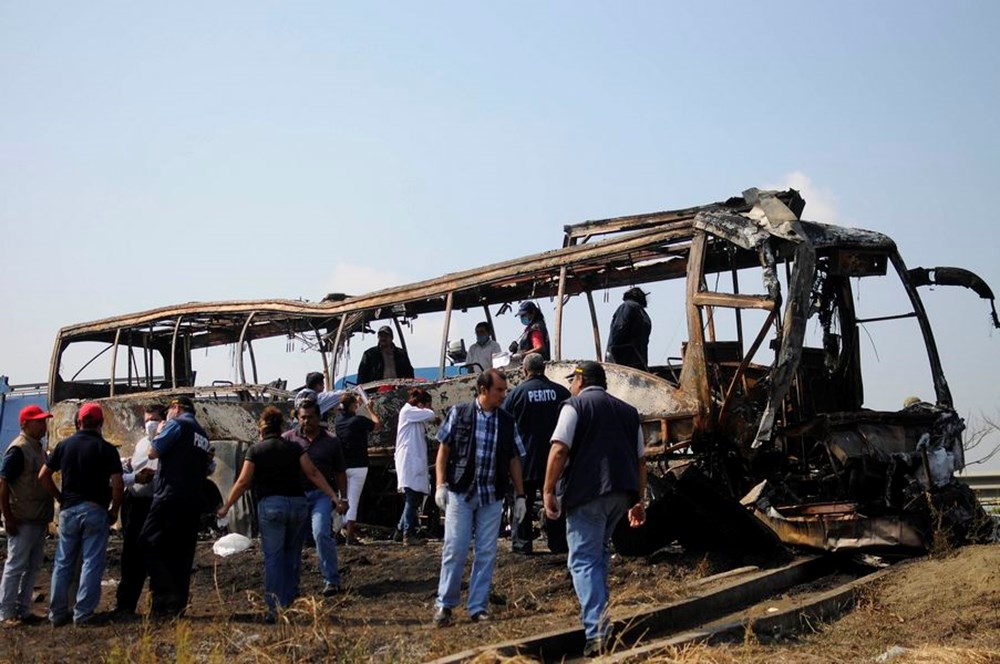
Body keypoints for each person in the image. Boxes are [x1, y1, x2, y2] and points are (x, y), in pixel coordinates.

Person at [543, 361, 647, 657]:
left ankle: (597, 633)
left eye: (572, 381)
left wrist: (549, 489)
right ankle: (603, 623)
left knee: (584, 561)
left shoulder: (573, 407)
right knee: (599, 554)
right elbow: (641, 460)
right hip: (620, 495)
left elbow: (560, 448)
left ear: (580, 380)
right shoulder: (629, 412)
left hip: (587, 493)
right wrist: (639, 501)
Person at [218, 406, 341, 621]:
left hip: (271, 507)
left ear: (262, 430)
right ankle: (290, 601)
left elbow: (244, 481)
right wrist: (334, 496)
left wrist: (226, 506)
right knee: (292, 555)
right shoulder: (295, 448)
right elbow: (312, 472)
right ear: (281, 427)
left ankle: (274, 609)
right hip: (297, 505)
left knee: (274, 558)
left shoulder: (256, 451)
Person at [432, 369, 527, 627]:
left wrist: (520, 495)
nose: (503, 395)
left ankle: (478, 606)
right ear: (483, 390)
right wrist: (440, 484)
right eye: (499, 390)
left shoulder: (506, 420)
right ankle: (445, 605)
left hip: (491, 495)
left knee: (486, 552)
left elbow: (513, 459)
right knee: (455, 549)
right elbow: (444, 450)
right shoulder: (459, 413)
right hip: (461, 493)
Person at [39, 403, 124, 626]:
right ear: (101, 424)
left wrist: (59, 497)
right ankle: (83, 613)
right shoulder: (107, 449)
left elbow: (43, 476)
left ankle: (56, 614)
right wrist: (114, 510)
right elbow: (117, 483)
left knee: (63, 562)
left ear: (78, 422)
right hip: (95, 510)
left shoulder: (64, 446)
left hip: (68, 510)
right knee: (91, 562)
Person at [140, 396, 214, 617]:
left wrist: (159, 431)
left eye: (168, 411)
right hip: (192, 500)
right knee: (182, 552)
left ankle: (165, 591)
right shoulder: (202, 433)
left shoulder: (177, 424)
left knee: (147, 541)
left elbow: (153, 452)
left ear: (177, 408)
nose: (165, 416)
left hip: (169, 496)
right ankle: (175, 604)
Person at [501, 353, 570, 554]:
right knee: (553, 500)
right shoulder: (561, 393)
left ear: (524, 370)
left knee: (522, 500)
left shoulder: (516, 394)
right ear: (545, 368)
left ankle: (522, 545)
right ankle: (558, 543)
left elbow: (503, 424)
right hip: (554, 459)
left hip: (524, 460)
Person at [282, 400, 349, 596]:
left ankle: (331, 580)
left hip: (321, 496)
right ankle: (291, 585)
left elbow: (340, 472)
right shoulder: (288, 440)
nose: (306, 421)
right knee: (294, 541)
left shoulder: (331, 441)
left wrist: (343, 498)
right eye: (302, 417)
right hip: (296, 497)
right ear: (297, 418)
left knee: (321, 533)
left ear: (318, 418)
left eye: (310, 417)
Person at [0, 405, 54, 626]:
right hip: (22, 518)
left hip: (37, 517)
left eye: (43, 421)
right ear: (25, 424)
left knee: (32, 567)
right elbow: (3, 484)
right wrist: (8, 517)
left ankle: (23, 609)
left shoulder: (36, 448)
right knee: (15, 566)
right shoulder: (18, 449)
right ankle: (5, 613)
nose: (43, 425)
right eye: (38, 421)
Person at [114, 404, 166, 615]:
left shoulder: (167, 443)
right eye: (146, 419)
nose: (149, 423)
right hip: (136, 503)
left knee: (157, 556)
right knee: (131, 557)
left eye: (153, 418)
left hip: (155, 505)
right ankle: (125, 605)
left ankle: (158, 606)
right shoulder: (142, 443)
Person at [334, 392, 382, 545]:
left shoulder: (338, 421)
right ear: (353, 406)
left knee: (342, 498)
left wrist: (358, 405)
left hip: (342, 465)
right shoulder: (359, 420)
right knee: (353, 500)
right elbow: (377, 425)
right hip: (359, 465)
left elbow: (351, 416)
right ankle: (350, 535)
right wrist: (370, 409)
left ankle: (336, 532)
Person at [394, 387, 437, 545]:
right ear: (420, 404)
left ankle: (400, 529)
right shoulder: (408, 412)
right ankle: (408, 534)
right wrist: (428, 409)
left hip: (413, 460)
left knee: (413, 497)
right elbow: (431, 415)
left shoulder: (413, 414)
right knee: (413, 498)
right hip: (409, 460)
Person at [605, 287, 652, 371]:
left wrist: (612, 352)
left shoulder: (627, 306)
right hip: (639, 361)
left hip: (623, 360)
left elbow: (619, 329)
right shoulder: (644, 315)